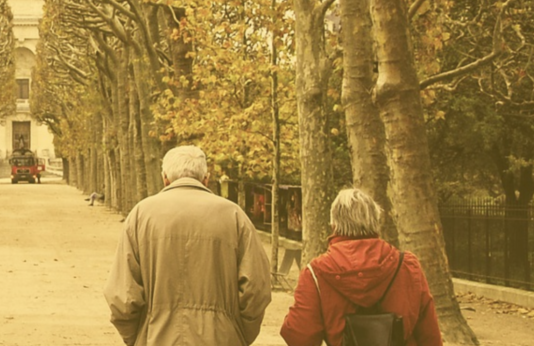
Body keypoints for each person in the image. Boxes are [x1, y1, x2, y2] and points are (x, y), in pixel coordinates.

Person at [105, 145, 272, 346]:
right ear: (206, 179)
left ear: (165, 178)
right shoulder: (234, 216)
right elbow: (256, 290)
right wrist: (236, 333)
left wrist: (139, 336)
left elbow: (122, 297)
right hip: (220, 337)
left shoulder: (141, 215)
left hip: (155, 336)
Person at [280, 188, 442, 346]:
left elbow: (300, 338)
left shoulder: (316, 273)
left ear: (333, 225)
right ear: (375, 222)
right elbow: (430, 336)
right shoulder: (407, 266)